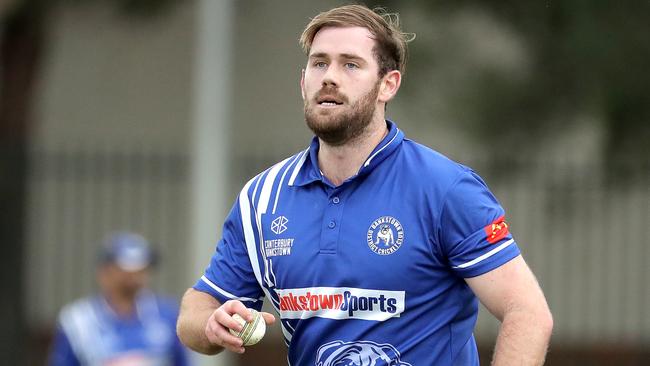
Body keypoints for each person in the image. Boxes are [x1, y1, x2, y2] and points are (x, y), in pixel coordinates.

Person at [177, 4, 553, 365]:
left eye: (350, 64)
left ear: (387, 85)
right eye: (319, 62)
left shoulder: (445, 190)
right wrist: (211, 325)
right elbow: (198, 308)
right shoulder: (262, 198)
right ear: (303, 80)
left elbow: (528, 312)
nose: (329, 76)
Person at [48, 232, 190, 366]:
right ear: (104, 272)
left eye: (142, 268)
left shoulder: (167, 314)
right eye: (127, 270)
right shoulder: (78, 320)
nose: (136, 277)